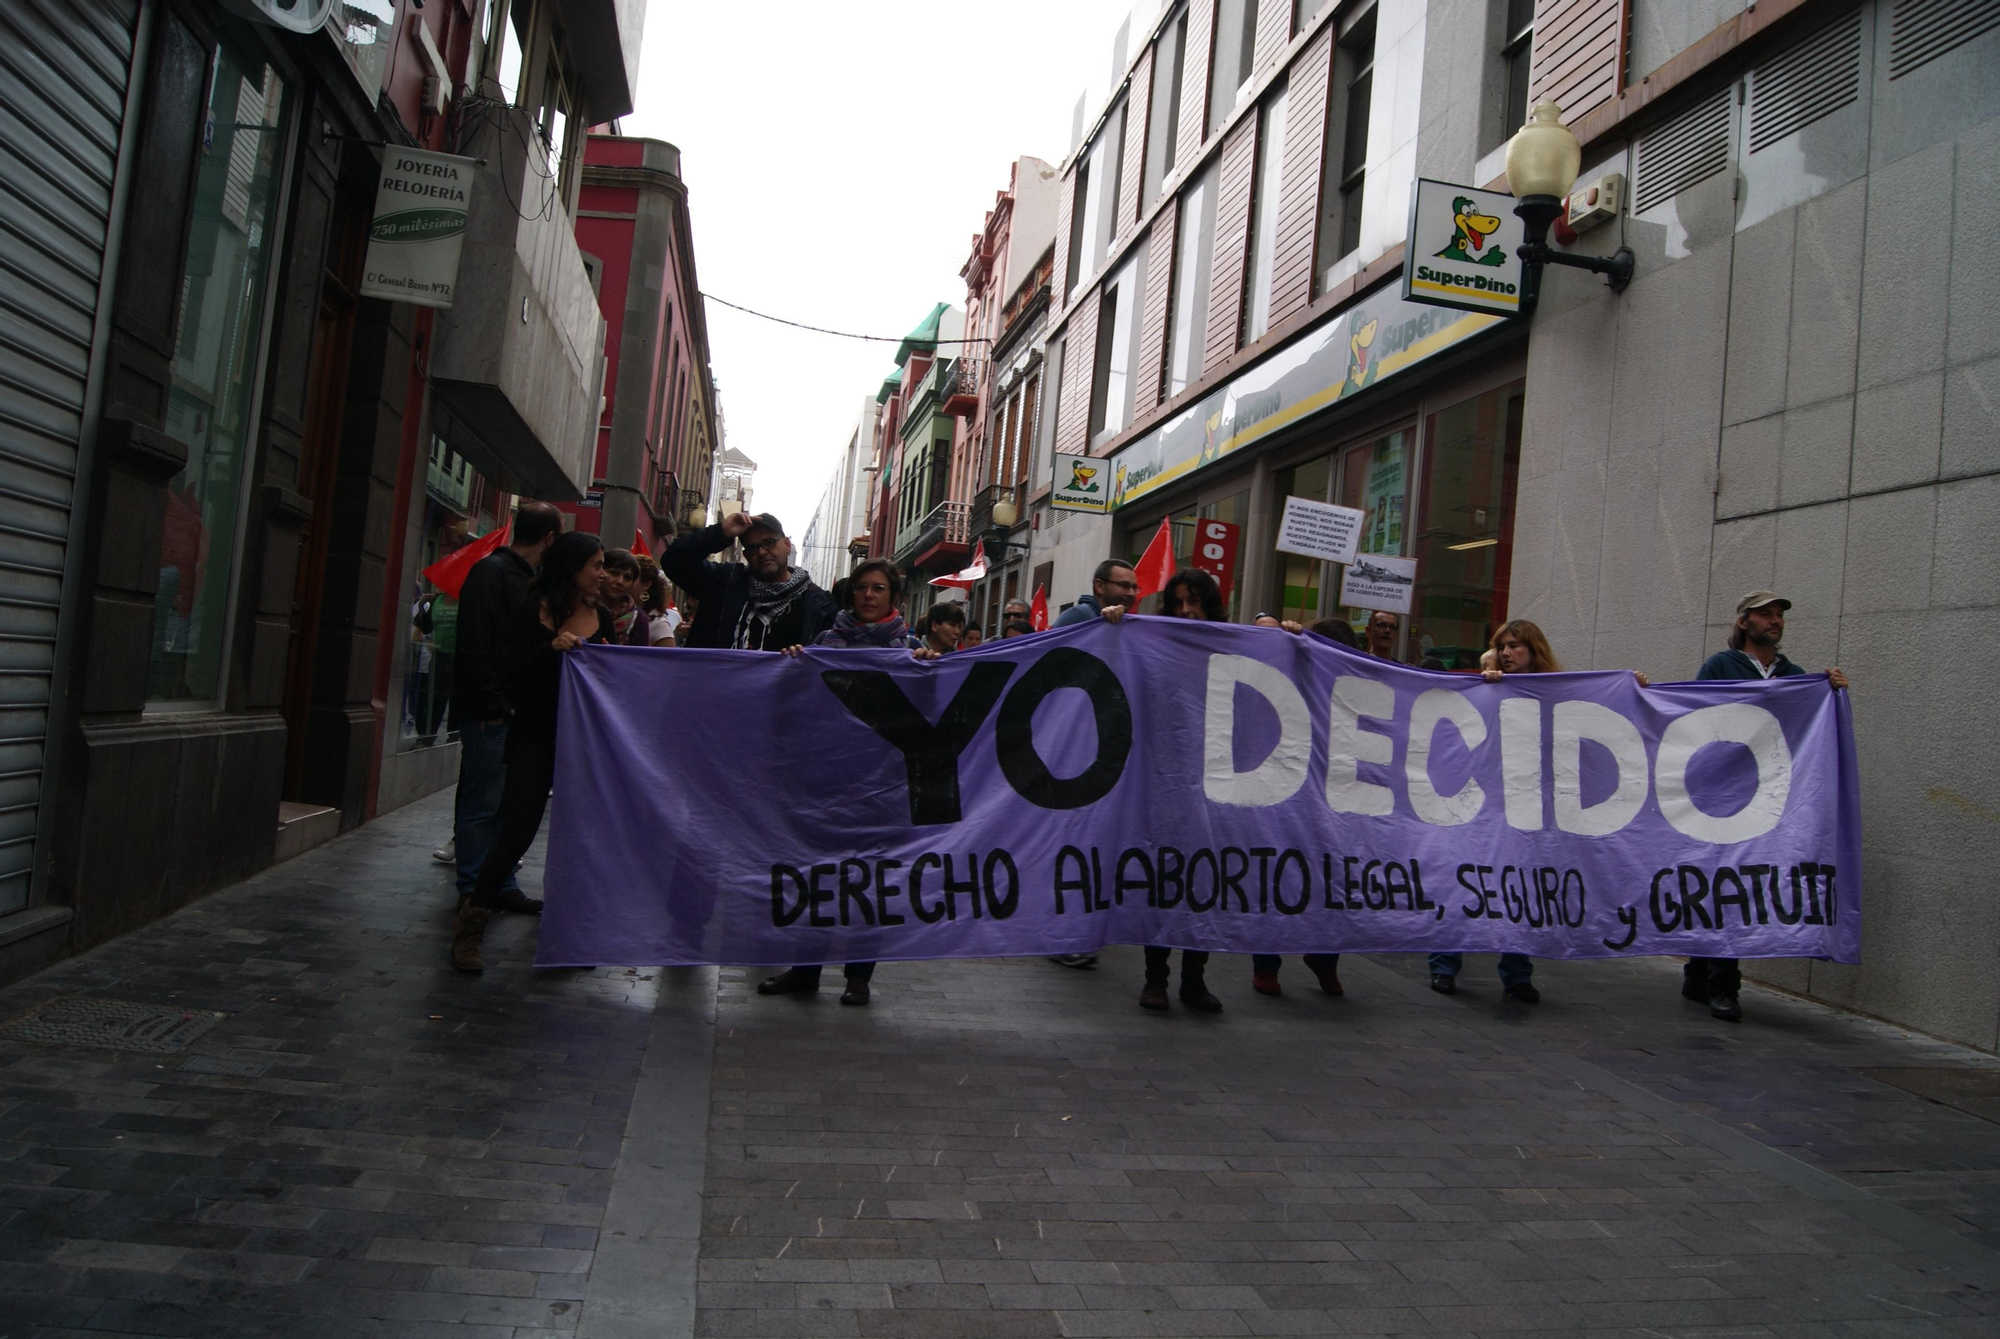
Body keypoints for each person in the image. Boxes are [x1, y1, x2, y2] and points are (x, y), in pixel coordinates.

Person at [761, 560, 932, 1005]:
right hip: (826, 779)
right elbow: (793, 704)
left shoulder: (911, 650)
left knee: (871, 880)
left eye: (878, 588)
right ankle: (805, 970)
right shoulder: (823, 644)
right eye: (861, 587)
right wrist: (791, 667)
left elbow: (931, 718)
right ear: (850, 593)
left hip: (881, 785)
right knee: (817, 875)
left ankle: (858, 976)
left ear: (894, 597)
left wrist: (932, 671)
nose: (869, 595)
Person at [451, 532, 615, 972]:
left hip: (585, 746)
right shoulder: (531, 611)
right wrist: (551, 650)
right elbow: (512, 677)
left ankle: (572, 936)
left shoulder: (603, 617)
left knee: (581, 839)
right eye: (595, 565)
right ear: (571, 568)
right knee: (516, 832)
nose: (602, 574)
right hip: (536, 738)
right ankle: (470, 928)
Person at [1682, 591, 1849, 1022]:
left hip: (1771, 797)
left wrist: (1829, 690)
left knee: (1736, 886)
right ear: (1743, 623)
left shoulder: (1793, 674)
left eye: (1779, 615)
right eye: (1765, 615)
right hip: (1723, 796)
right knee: (1726, 885)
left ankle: (1700, 973)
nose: (1775, 621)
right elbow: (1693, 715)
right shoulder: (1720, 666)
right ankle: (1722, 985)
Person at [448, 501, 562, 914]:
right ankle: (472, 886)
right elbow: (476, 645)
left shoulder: (528, 580)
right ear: (549, 538)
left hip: (514, 714)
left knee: (505, 806)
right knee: (481, 804)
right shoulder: (491, 573)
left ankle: (499, 882)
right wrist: (495, 704)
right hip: (489, 713)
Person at [1128, 569, 1233, 1013]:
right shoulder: (1153, 646)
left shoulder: (1231, 647)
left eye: (1196, 601)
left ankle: (1194, 979)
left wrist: (1287, 636)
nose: (1187, 611)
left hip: (1216, 787)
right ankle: (1156, 977)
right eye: (1178, 603)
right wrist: (1114, 624)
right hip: (1165, 787)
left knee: (1205, 882)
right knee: (1164, 880)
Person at [660, 511, 837, 650]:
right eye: (752, 548)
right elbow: (674, 561)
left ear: (787, 544)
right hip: (717, 692)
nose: (761, 552)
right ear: (745, 555)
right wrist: (721, 532)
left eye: (769, 542)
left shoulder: (819, 605)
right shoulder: (723, 582)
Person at [1052, 560, 1136, 627]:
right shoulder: (1078, 617)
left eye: (1134, 588)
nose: (1131, 593)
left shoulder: (1123, 623)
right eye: (1123, 585)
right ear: (1100, 586)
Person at [600, 547, 650, 646]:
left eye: (627, 578)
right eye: (614, 573)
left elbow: (638, 659)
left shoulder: (637, 619)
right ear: (601, 572)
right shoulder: (581, 608)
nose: (620, 582)